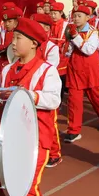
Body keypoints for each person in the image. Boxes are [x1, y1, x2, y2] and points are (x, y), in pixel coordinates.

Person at [0, 18, 61, 196]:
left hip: (37, 138)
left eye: (18, 38)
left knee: (24, 186)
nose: (13, 42)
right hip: (12, 137)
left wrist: (30, 95)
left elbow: (54, 99)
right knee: (28, 185)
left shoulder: (47, 70)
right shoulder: (6, 70)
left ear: (34, 43)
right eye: (13, 37)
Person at [64, 5, 99, 142]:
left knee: (95, 97)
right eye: (75, 16)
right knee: (74, 101)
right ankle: (73, 130)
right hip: (74, 69)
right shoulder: (72, 30)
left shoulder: (93, 32)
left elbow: (88, 50)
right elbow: (68, 51)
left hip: (89, 70)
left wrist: (75, 36)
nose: (76, 18)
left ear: (88, 18)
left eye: (79, 16)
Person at [31, 13, 62, 168]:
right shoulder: (32, 45)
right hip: (31, 89)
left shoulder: (52, 47)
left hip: (45, 88)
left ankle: (55, 154)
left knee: (50, 124)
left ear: (48, 29)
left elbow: (51, 67)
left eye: (41, 26)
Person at [0, 6, 21, 73]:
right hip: (3, 62)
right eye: (5, 21)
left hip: (14, 62)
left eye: (10, 21)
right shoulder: (3, 32)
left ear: (16, 21)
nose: (7, 24)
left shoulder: (19, 33)